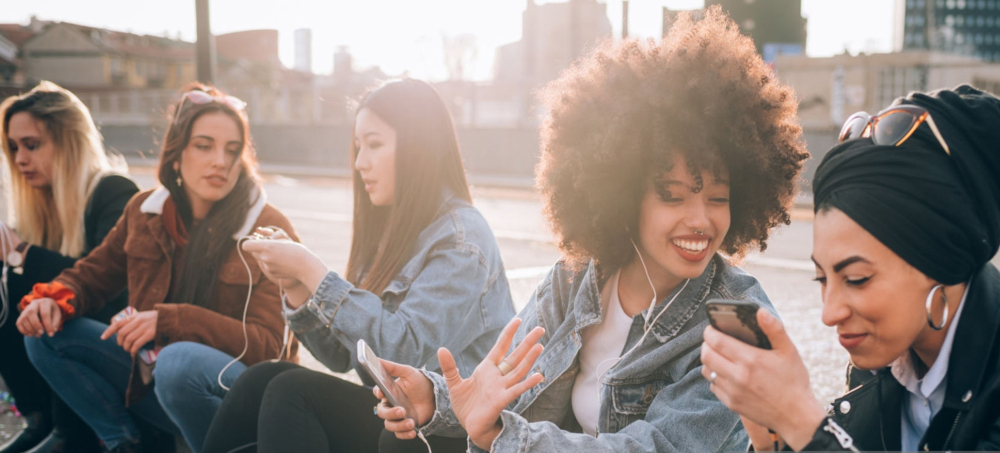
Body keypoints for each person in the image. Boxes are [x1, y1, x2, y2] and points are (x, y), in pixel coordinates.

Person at [376, 8, 809, 452]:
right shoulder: (575, 280)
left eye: (718, 198)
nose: (701, 219)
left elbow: (654, 447)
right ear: (621, 193)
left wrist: (506, 438)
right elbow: (503, 388)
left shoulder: (737, 322)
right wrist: (434, 399)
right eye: (673, 196)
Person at [200, 78, 515, 453]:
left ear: (419, 149)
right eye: (357, 146)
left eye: (375, 144)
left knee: (292, 392)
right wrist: (296, 286)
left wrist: (310, 268)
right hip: (394, 421)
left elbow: (402, 354)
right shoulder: (391, 229)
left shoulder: (463, 239)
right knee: (262, 380)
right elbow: (343, 356)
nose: (359, 162)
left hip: (453, 433)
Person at [700, 85, 1000, 451]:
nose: (830, 313)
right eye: (823, 279)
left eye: (857, 279)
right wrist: (771, 439)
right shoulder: (880, 367)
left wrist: (803, 423)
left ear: (942, 258)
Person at [17, 83, 298, 453]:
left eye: (233, 150)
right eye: (204, 145)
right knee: (43, 333)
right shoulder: (144, 211)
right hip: (156, 384)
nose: (221, 161)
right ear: (176, 155)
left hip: (237, 403)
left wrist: (172, 321)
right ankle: (126, 443)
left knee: (178, 360)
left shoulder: (267, 228)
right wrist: (54, 300)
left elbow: (270, 349)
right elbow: (92, 275)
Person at [0, 81, 139, 453]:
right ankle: (38, 419)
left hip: (127, 354)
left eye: (32, 145)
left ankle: (77, 436)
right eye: (13, 147)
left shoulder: (114, 192)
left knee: (47, 310)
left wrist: (23, 255)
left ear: (69, 141)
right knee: (7, 292)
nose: (20, 159)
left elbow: (116, 293)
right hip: (74, 370)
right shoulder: (43, 208)